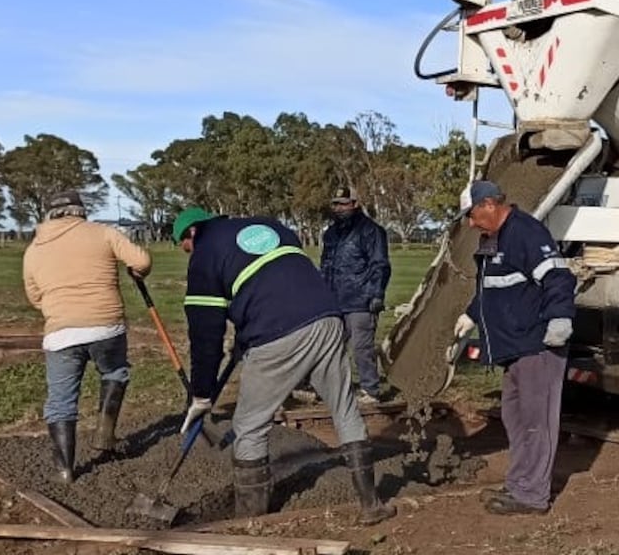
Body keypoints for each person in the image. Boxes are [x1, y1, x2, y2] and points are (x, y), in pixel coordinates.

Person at [172, 206, 396, 525]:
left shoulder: (205, 253)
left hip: (276, 333)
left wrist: (201, 394)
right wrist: (245, 334)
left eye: (185, 247)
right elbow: (277, 280)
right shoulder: (268, 225)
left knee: (249, 426)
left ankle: (250, 522)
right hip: (328, 318)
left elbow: (205, 334)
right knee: (345, 409)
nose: (189, 254)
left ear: (192, 232)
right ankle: (370, 505)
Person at [453, 180, 576, 515]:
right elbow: (493, 288)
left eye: (472, 215)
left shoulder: (525, 232)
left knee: (536, 421)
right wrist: (472, 314)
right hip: (514, 347)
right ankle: (519, 482)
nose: (470, 223)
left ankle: (532, 495)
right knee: (515, 417)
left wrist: (560, 318)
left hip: (536, 344)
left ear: (489, 204)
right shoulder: (494, 238)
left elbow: (558, 277)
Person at [23, 190, 152, 484]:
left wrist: (61, 309)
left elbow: (35, 297)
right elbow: (142, 261)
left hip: (60, 332)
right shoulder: (103, 233)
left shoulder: (34, 249)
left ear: (50, 214)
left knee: (61, 401)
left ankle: (65, 469)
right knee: (115, 371)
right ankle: (104, 435)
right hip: (106, 325)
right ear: (80, 211)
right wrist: (136, 272)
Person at [320, 187, 392, 405]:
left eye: (344, 203)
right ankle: (334, 387)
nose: (339, 208)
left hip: (361, 299)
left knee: (362, 348)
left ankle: (370, 389)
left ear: (355, 204)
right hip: (333, 300)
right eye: (336, 203)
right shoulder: (330, 233)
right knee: (330, 348)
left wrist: (376, 294)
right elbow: (325, 266)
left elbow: (380, 264)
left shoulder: (371, 231)